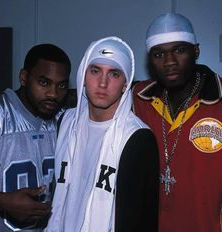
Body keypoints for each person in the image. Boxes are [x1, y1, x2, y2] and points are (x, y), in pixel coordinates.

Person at [45, 36, 159, 232]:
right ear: (83, 75)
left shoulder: (138, 138)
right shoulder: (65, 122)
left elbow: (142, 217)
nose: (103, 83)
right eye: (95, 71)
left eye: (114, 74)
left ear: (126, 84)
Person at [133, 12, 222, 232]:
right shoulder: (137, 99)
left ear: (196, 51)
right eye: (158, 54)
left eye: (179, 50)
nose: (170, 61)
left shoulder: (220, 99)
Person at [0, 43, 71, 231]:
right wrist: (0, 200)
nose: (53, 94)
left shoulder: (64, 119)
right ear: (24, 77)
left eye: (62, 85)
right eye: (44, 82)